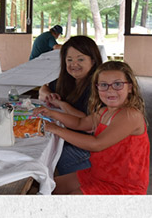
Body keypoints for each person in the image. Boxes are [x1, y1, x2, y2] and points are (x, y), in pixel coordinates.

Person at [37, 61, 149, 194]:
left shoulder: (130, 115)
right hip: (99, 174)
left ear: (130, 87)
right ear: (97, 88)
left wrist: (56, 129)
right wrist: (51, 113)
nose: (110, 90)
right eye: (103, 85)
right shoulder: (105, 111)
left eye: (118, 84)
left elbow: (96, 144)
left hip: (123, 185)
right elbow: (80, 123)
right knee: (48, 189)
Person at [38, 36, 104, 175]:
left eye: (80, 59)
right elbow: (42, 89)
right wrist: (48, 94)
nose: (74, 64)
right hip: (66, 137)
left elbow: (85, 122)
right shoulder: (68, 79)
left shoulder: (97, 86)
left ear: (93, 60)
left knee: (42, 158)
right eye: (69, 60)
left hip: (84, 147)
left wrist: (61, 104)